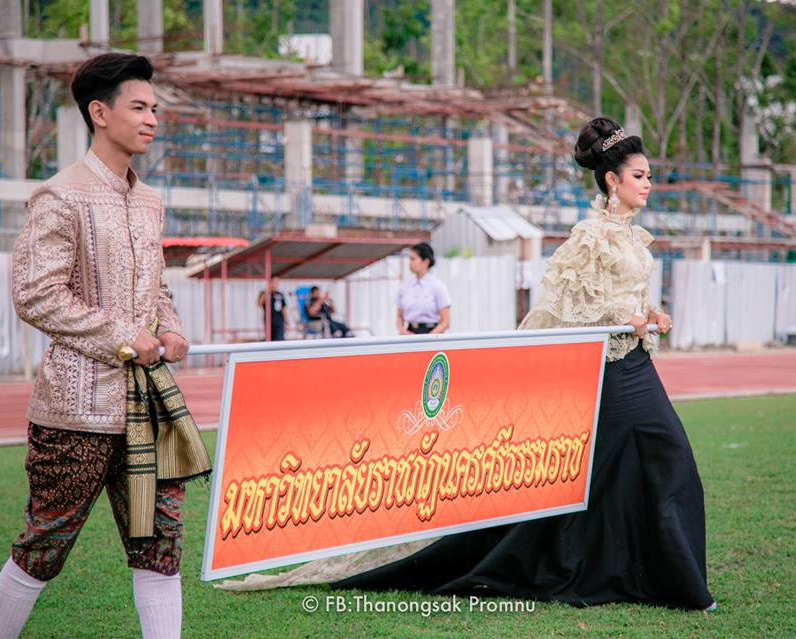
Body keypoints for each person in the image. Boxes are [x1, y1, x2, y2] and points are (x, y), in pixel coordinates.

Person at [220, 117, 715, 613]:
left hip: (635, 361)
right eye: (640, 176)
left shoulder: (633, 237)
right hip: (609, 370)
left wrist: (649, 313)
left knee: (620, 470)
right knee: (653, 458)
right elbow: (567, 305)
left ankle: (637, 573)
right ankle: (657, 581)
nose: (648, 185)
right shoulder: (589, 237)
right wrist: (621, 316)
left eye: (649, 177)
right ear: (611, 179)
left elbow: (623, 295)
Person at [0, 53, 211, 639]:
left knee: (160, 545)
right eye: (139, 107)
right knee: (44, 544)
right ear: (100, 113)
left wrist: (169, 327)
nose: (152, 119)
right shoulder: (60, 196)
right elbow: (35, 295)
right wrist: (122, 337)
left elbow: (155, 285)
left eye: (155, 109)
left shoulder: (150, 200)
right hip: (75, 411)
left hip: (148, 406)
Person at [395, 242, 451, 335]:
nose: (410, 263)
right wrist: (403, 332)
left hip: (432, 334)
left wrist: (428, 339)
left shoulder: (437, 287)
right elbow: (399, 317)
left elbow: (445, 322)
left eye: (413, 259)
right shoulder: (405, 286)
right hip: (409, 334)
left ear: (426, 262)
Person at [257, 276, 288, 341]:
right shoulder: (264, 293)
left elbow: (283, 309)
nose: (276, 285)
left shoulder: (280, 294)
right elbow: (260, 303)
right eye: (274, 283)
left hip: (279, 320)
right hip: (268, 320)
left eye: (277, 283)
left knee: (279, 338)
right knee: (269, 338)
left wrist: (286, 322)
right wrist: (267, 291)